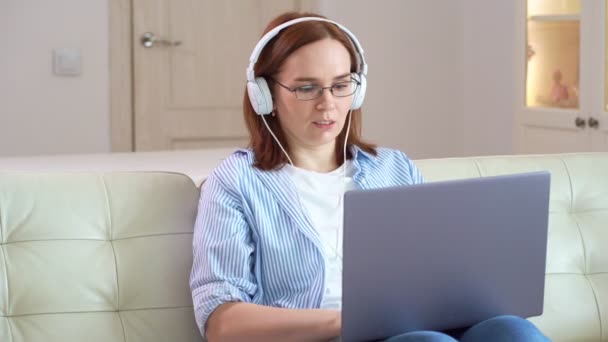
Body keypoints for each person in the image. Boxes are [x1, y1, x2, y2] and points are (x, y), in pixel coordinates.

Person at [190, 12, 551, 342]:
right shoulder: (236, 181)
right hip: (330, 336)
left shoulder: (394, 168)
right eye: (306, 87)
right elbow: (222, 323)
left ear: (357, 89)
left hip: (416, 327)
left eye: (341, 84)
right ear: (264, 94)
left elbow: (433, 272)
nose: (327, 103)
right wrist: (345, 321)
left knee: (513, 329)